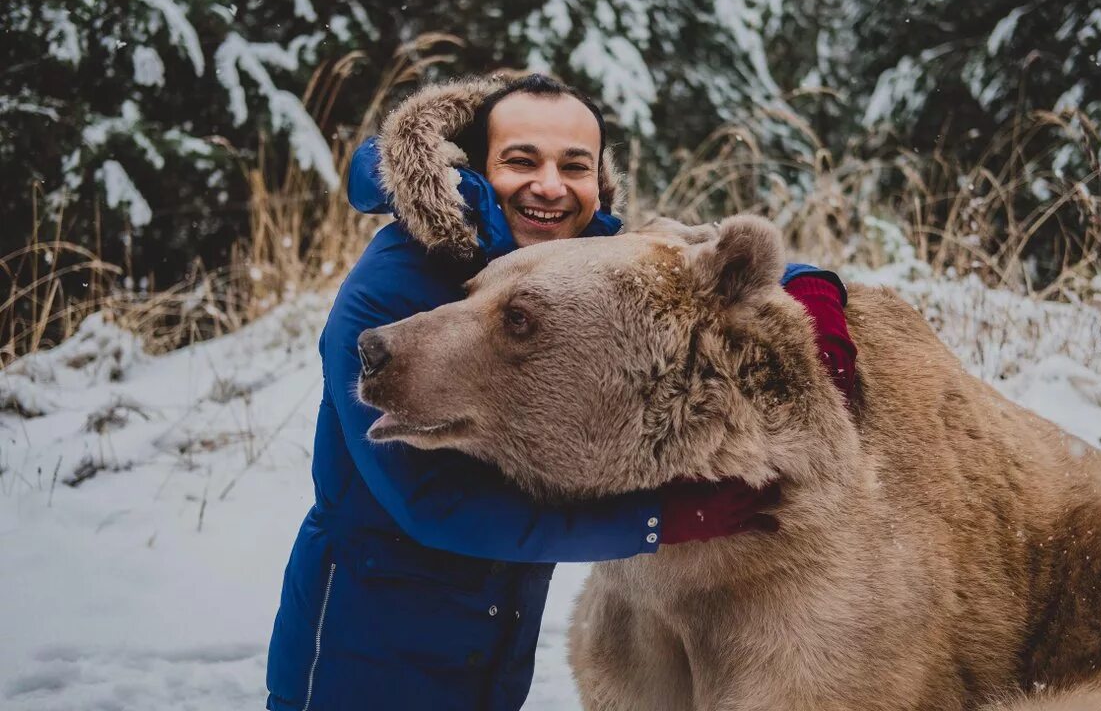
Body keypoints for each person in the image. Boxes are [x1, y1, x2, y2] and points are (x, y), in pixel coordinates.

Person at [264, 73, 855, 711]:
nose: (549, 185)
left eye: (574, 165)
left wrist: (811, 292)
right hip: (363, 635)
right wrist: (660, 522)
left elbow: (689, 268)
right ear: (473, 163)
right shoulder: (390, 287)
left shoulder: (565, 249)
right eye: (521, 161)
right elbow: (434, 505)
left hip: (492, 630)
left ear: (599, 179)